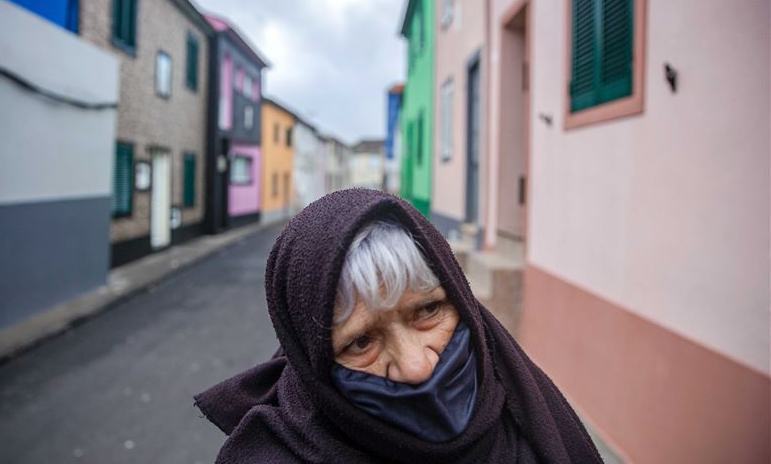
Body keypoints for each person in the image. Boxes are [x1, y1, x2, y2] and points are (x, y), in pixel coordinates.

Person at [194, 189, 602, 463]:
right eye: (361, 341)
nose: (417, 367)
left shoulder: (525, 408)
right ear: (313, 363)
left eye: (427, 311)